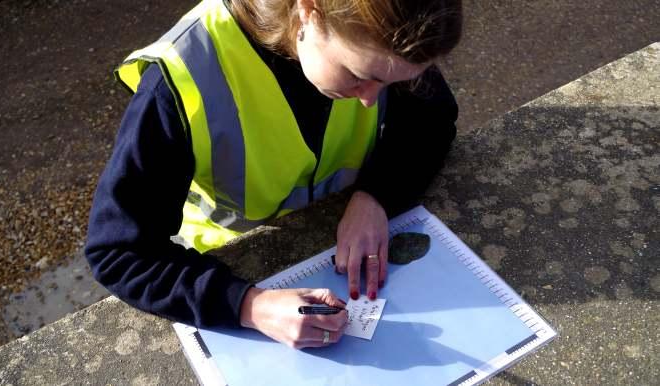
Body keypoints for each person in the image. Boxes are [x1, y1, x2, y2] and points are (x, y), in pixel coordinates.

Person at [86, 0, 462, 349]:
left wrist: (375, 196)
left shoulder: (383, 35)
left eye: (391, 82)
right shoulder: (180, 79)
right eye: (359, 76)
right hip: (227, 259)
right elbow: (118, 252)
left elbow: (431, 117)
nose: (370, 98)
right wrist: (250, 307)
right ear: (308, 10)